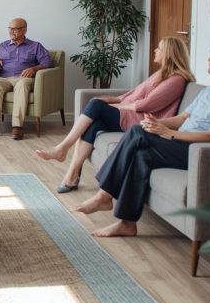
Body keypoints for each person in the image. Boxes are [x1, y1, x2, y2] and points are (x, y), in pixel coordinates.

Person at [74, 39, 210, 238]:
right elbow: (183, 118)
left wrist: (167, 133)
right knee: (141, 153)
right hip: (181, 143)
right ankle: (127, 224)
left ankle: (104, 194)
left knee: (136, 133)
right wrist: (156, 123)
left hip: (202, 153)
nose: (208, 58)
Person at [35, 36, 195, 193]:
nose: (155, 50)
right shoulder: (161, 74)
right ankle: (71, 176)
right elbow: (134, 94)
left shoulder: (176, 80)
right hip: (132, 115)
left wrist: (118, 105)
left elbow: (145, 105)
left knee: (96, 105)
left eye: (159, 48)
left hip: (141, 121)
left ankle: (62, 148)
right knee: (95, 123)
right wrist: (114, 99)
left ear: (168, 53)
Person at [0, 17, 53, 140]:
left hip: (24, 79)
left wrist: (34, 69)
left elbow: (48, 61)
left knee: (22, 84)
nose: (11, 32)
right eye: (10, 28)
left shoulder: (35, 46)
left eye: (15, 29)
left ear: (24, 30)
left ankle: (17, 127)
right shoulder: (2, 46)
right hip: (5, 78)